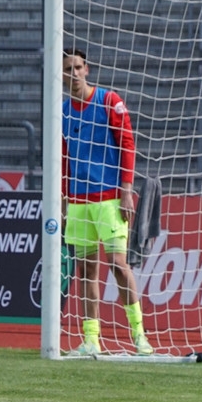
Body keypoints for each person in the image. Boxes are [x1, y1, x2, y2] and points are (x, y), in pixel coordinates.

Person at [61, 48, 153, 356]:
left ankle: (138, 334)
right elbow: (63, 160)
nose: (72, 74)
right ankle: (91, 339)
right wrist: (63, 202)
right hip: (78, 201)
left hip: (109, 199)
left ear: (87, 69)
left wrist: (126, 190)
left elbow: (127, 142)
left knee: (117, 265)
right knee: (86, 270)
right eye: (67, 69)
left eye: (77, 67)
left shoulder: (108, 101)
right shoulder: (62, 111)